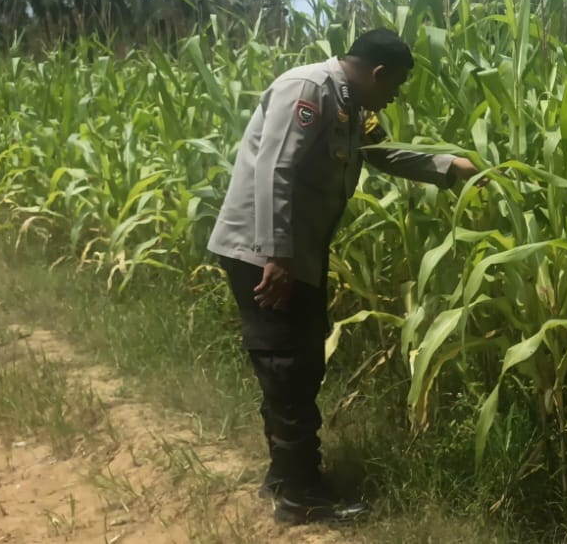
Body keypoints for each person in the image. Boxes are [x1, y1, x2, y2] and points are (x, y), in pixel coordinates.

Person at [207, 28, 484, 525]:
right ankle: (302, 497)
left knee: (301, 362)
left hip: (296, 254)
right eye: (395, 85)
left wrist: (450, 166)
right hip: (264, 254)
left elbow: (381, 154)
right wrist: (276, 256)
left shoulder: (352, 106)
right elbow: (275, 169)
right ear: (377, 73)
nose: (395, 96)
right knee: (288, 366)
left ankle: (286, 477)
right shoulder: (309, 90)